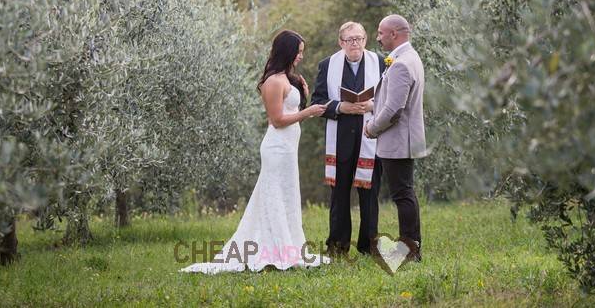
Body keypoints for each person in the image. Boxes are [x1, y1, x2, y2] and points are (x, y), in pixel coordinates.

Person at [179, 30, 329, 273]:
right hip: (277, 148)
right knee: (274, 195)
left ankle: (289, 246)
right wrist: (309, 112)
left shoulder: (288, 79)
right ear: (287, 51)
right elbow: (278, 120)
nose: (301, 56)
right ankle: (272, 249)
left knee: (287, 195)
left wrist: (302, 92)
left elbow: (292, 109)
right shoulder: (273, 81)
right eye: (298, 52)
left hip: (289, 148)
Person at [311, 21, 384, 257]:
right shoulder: (327, 65)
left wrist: (373, 104)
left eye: (359, 38)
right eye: (350, 39)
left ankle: (368, 245)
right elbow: (317, 102)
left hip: (370, 138)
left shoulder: (381, 63)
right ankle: (338, 246)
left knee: (370, 195)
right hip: (340, 139)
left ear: (366, 40)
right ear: (341, 42)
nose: (355, 43)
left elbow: (391, 98)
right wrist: (341, 107)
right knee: (339, 195)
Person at [365, 14, 427, 262]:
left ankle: (411, 252)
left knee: (403, 195)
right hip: (403, 140)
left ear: (394, 34)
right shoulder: (408, 57)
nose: (378, 38)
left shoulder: (401, 63)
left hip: (399, 141)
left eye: (381, 33)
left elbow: (394, 110)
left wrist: (371, 128)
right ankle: (411, 249)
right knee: (405, 194)